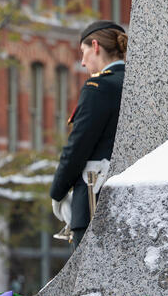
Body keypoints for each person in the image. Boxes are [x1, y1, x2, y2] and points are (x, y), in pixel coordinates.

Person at [50, 20, 128, 248]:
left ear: (95, 46)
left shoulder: (99, 87)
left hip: (95, 199)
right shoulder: (136, 85)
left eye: (83, 52)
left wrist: (57, 190)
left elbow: (78, 146)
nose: (83, 62)